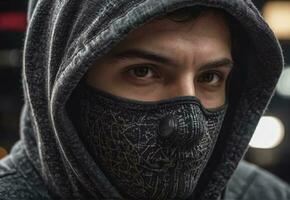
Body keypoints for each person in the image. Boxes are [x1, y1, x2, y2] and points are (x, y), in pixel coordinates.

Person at [0, 0, 289, 199]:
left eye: (210, 77)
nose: (190, 127)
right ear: (64, 79)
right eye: (143, 72)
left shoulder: (266, 195)